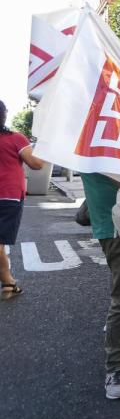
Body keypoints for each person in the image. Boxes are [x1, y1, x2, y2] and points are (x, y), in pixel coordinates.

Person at [0, 100, 44, 300]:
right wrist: (44, 146)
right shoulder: (15, 139)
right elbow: (36, 164)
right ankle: (8, 283)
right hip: (8, 195)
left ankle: (8, 282)